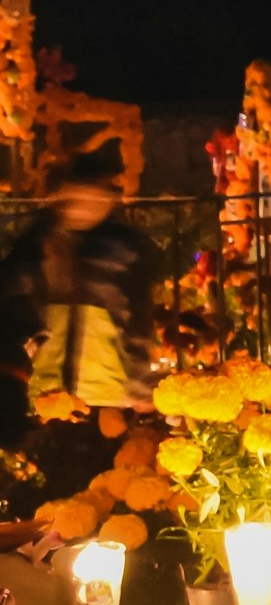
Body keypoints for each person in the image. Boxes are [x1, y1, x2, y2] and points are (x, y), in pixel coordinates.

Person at [0, 150, 157, 493]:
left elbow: (137, 322)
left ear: (109, 201)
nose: (81, 207)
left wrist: (141, 386)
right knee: (45, 488)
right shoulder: (37, 243)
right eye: (75, 197)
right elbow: (12, 304)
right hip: (47, 392)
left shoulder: (122, 249)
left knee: (102, 487)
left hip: (105, 392)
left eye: (93, 198)